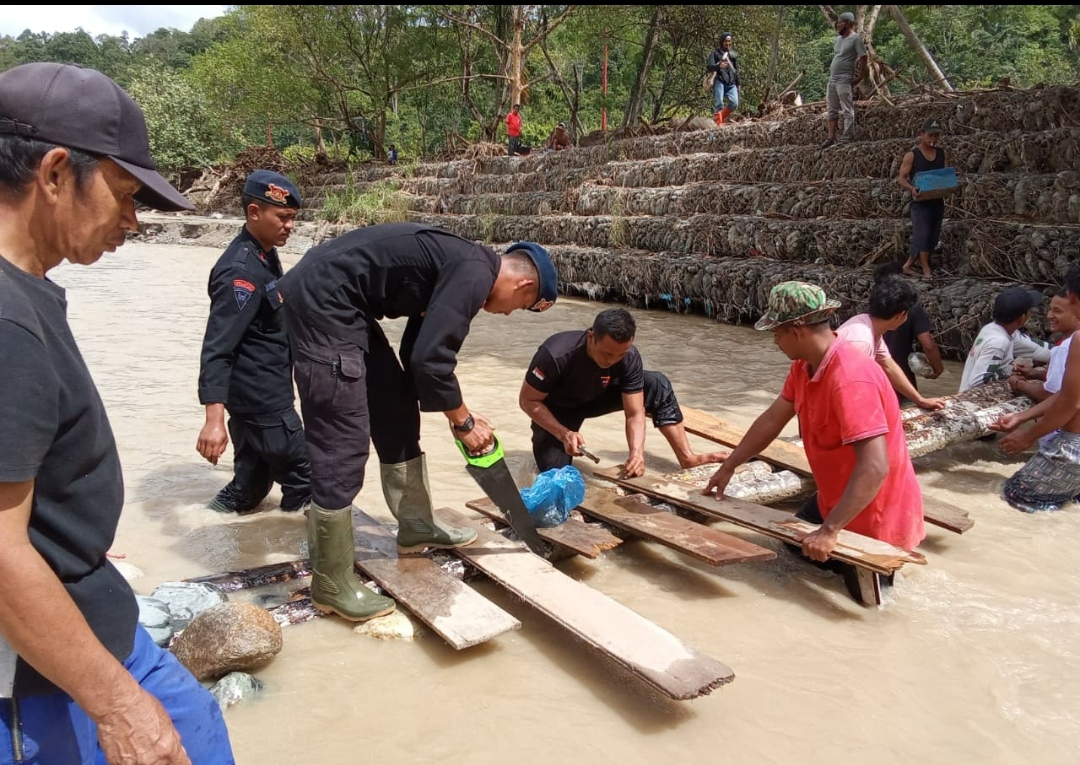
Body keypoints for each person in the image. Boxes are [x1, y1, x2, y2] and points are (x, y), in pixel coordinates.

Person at [0, 62, 233, 764]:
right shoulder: (7, 320)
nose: (132, 222)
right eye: (126, 195)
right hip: (45, 681)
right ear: (54, 173)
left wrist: (74, 539)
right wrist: (118, 703)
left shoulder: (28, 292)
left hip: (92, 625)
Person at [277, 224, 557, 621]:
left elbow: (417, 353)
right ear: (525, 284)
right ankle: (331, 583)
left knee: (395, 404)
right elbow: (431, 360)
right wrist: (463, 421)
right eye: (521, 305)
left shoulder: (467, 265)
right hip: (323, 302)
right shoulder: (474, 274)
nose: (508, 312)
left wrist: (453, 407)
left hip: (345, 305)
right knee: (343, 439)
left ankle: (416, 525)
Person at [703, 282, 925, 592]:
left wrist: (830, 530)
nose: (776, 342)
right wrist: (730, 465)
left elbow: (875, 467)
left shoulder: (850, 378)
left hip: (872, 515)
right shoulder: (803, 368)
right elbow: (771, 420)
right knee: (792, 550)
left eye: (777, 333)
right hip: (832, 497)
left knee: (864, 607)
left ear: (796, 329)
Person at [196, 170, 311, 516]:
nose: (290, 225)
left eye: (293, 218)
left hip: (254, 398)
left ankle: (207, 526)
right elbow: (218, 346)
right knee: (310, 479)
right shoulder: (240, 272)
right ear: (254, 213)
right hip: (264, 401)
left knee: (252, 483)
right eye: (283, 217)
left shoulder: (263, 253)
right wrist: (213, 420)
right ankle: (309, 559)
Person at [520, 308, 728, 476]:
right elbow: (528, 401)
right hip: (559, 409)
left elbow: (635, 412)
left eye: (620, 354)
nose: (612, 360)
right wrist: (563, 433)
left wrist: (636, 454)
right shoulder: (556, 354)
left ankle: (687, 458)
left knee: (656, 383)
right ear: (591, 337)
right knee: (555, 474)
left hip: (599, 394)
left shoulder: (628, 357)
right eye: (607, 353)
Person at [992, 263, 1080, 513]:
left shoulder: (1078, 340)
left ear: (1072, 296)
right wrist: (1022, 416)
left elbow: (1070, 401)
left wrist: (1027, 435)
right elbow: (1069, 393)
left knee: (1013, 498)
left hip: (1073, 448)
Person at [835, 274, 947, 410]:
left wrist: (920, 400)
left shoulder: (871, 327)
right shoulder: (861, 341)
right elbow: (847, 392)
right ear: (901, 315)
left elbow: (889, 366)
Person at [874, 262, 944, 398]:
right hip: (903, 382)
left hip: (875, 382)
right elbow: (928, 345)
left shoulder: (868, 313)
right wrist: (937, 369)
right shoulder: (912, 310)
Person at [959, 286, 1046, 392]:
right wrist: (1010, 369)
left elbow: (1037, 348)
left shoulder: (994, 329)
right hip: (971, 398)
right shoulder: (999, 342)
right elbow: (977, 381)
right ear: (1022, 318)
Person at [1008, 290, 1080, 405]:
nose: (1049, 316)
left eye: (1057, 311)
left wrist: (1020, 384)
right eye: (1050, 309)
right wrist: (1034, 374)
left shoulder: (1065, 348)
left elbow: (1051, 394)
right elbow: (1066, 379)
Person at [898, 119, 946, 280]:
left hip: (936, 200)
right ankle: (926, 269)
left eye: (936, 136)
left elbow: (943, 174)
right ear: (922, 134)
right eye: (930, 135)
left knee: (932, 235)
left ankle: (907, 265)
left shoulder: (941, 153)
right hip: (920, 202)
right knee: (923, 234)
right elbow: (901, 178)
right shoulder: (912, 155)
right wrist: (912, 188)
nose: (933, 139)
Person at [822, 11, 868, 148]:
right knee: (832, 109)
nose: (838, 25)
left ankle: (846, 137)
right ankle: (831, 138)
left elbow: (863, 57)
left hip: (844, 78)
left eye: (841, 22)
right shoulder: (838, 40)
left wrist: (859, 76)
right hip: (833, 78)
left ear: (848, 23)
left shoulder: (856, 39)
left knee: (847, 108)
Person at [706, 32, 740, 126]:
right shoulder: (715, 53)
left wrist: (738, 83)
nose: (728, 43)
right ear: (722, 41)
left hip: (731, 83)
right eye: (726, 41)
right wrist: (719, 66)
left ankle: (720, 117)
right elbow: (709, 67)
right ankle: (718, 124)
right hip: (720, 81)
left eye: (729, 41)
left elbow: (736, 69)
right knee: (719, 103)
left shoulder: (732, 54)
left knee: (734, 103)